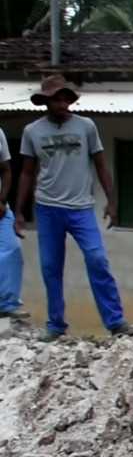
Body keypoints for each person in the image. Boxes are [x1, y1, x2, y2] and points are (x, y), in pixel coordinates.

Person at [15, 75, 133, 341]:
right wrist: (19, 211)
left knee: (97, 260)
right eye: (55, 99)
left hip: (81, 208)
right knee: (50, 267)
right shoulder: (32, 132)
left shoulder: (86, 126)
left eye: (65, 99)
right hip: (47, 208)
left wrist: (112, 202)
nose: (61, 104)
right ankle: (56, 325)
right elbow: (26, 173)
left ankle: (116, 322)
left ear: (70, 100)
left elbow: (101, 164)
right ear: (46, 102)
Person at [0, 128, 27, 320]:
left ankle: (7, 305)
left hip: (0, 209)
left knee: (12, 249)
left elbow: (6, 170)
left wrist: (1, 200)